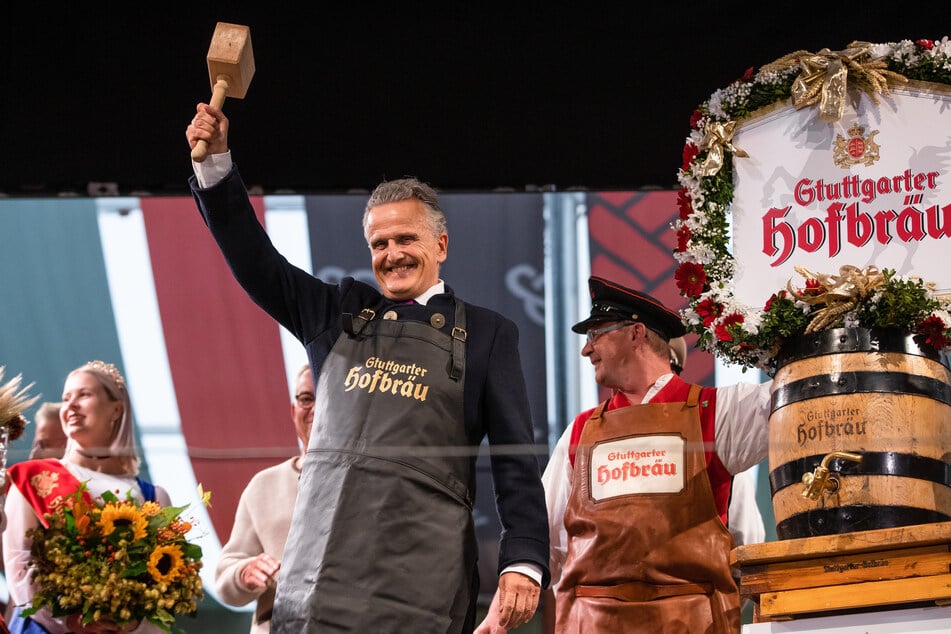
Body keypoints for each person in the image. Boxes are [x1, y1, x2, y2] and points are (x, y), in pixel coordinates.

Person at [185, 103, 550, 632]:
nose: (392, 254)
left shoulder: (490, 334)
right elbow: (253, 259)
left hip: (425, 583)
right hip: (321, 580)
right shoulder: (333, 315)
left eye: (406, 239)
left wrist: (523, 561)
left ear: (440, 245)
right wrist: (217, 165)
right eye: (380, 244)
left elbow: (516, 459)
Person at [478, 276, 771, 633]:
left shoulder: (717, 412)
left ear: (636, 333)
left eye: (596, 334)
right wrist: (499, 611)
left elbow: (795, 394)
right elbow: (547, 537)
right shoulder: (580, 431)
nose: (586, 350)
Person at [3, 361, 173, 634]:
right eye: (66, 398)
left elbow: (169, 581)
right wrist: (70, 619)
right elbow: (19, 565)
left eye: (84, 395)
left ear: (116, 408)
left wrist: (132, 621)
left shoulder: (154, 498)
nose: (70, 406)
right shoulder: (32, 478)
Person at [214, 364, 315, 633]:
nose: (316, 409)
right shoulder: (263, 485)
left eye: (326, 398)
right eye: (306, 399)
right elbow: (226, 574)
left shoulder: (372, 483)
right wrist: (244, 573)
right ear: (294, 412)